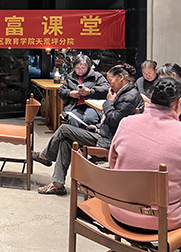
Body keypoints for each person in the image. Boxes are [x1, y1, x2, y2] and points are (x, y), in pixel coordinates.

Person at [109, 77, 181, 251]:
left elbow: (113, 163)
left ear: (151, 98)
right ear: (179, 103)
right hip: (160, 221)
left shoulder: (126, 123)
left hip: (119, 211)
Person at [33, 63, 144, 196]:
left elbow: (115, 120)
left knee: (64, 129)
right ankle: (57, 184)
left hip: (111, 140)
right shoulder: (125, 93)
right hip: (105, 134)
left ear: (121, 78)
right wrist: (97, 127)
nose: (109, 85)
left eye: (110, 80)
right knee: (66, 141)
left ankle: (45, 156)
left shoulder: (129, 96)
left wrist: (108, 102)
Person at [57, 55, 109, 128]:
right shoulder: (70, 77)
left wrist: (91, 91)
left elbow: (106, 88)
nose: (80, 70)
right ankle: (75, 135)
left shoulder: (96, 76)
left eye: (83, 68)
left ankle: (87, 135)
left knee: (89, 119)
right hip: (74, 106)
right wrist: (70, 94)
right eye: (77, 68)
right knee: (74, 119)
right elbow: (61, 91)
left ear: (88, 67)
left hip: (93, 106)